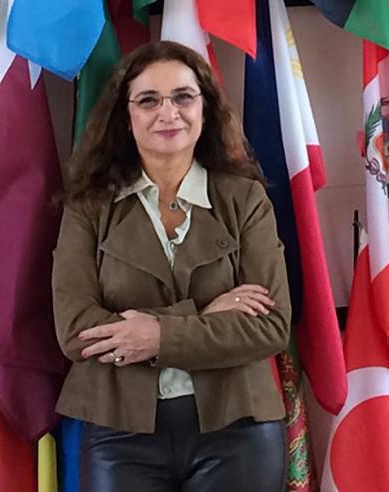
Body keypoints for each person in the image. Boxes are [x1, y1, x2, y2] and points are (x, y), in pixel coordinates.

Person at [52, 40, 290, 491]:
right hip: (120, 432)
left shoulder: (245, 198)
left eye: (183, 96)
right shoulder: (88, 207)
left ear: (205, 108)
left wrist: (156, 335)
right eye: (148, 100)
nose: (169, 113)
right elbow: (76, 330)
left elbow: (271, 325)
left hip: (238, 426)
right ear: (126, 117)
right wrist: (200, 318)